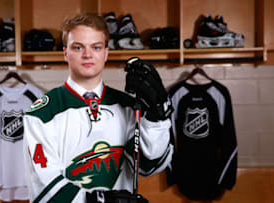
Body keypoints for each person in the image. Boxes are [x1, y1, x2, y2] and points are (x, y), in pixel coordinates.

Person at [23, 13, 173, 203]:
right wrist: (101, 201)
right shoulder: (42, 114)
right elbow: (44, 189)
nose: (87, 54)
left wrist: (157, 117)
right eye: (78, 47)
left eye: (96, 47)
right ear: (65, 53)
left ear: (106, 53)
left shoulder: (127, 106)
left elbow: (149, 165)